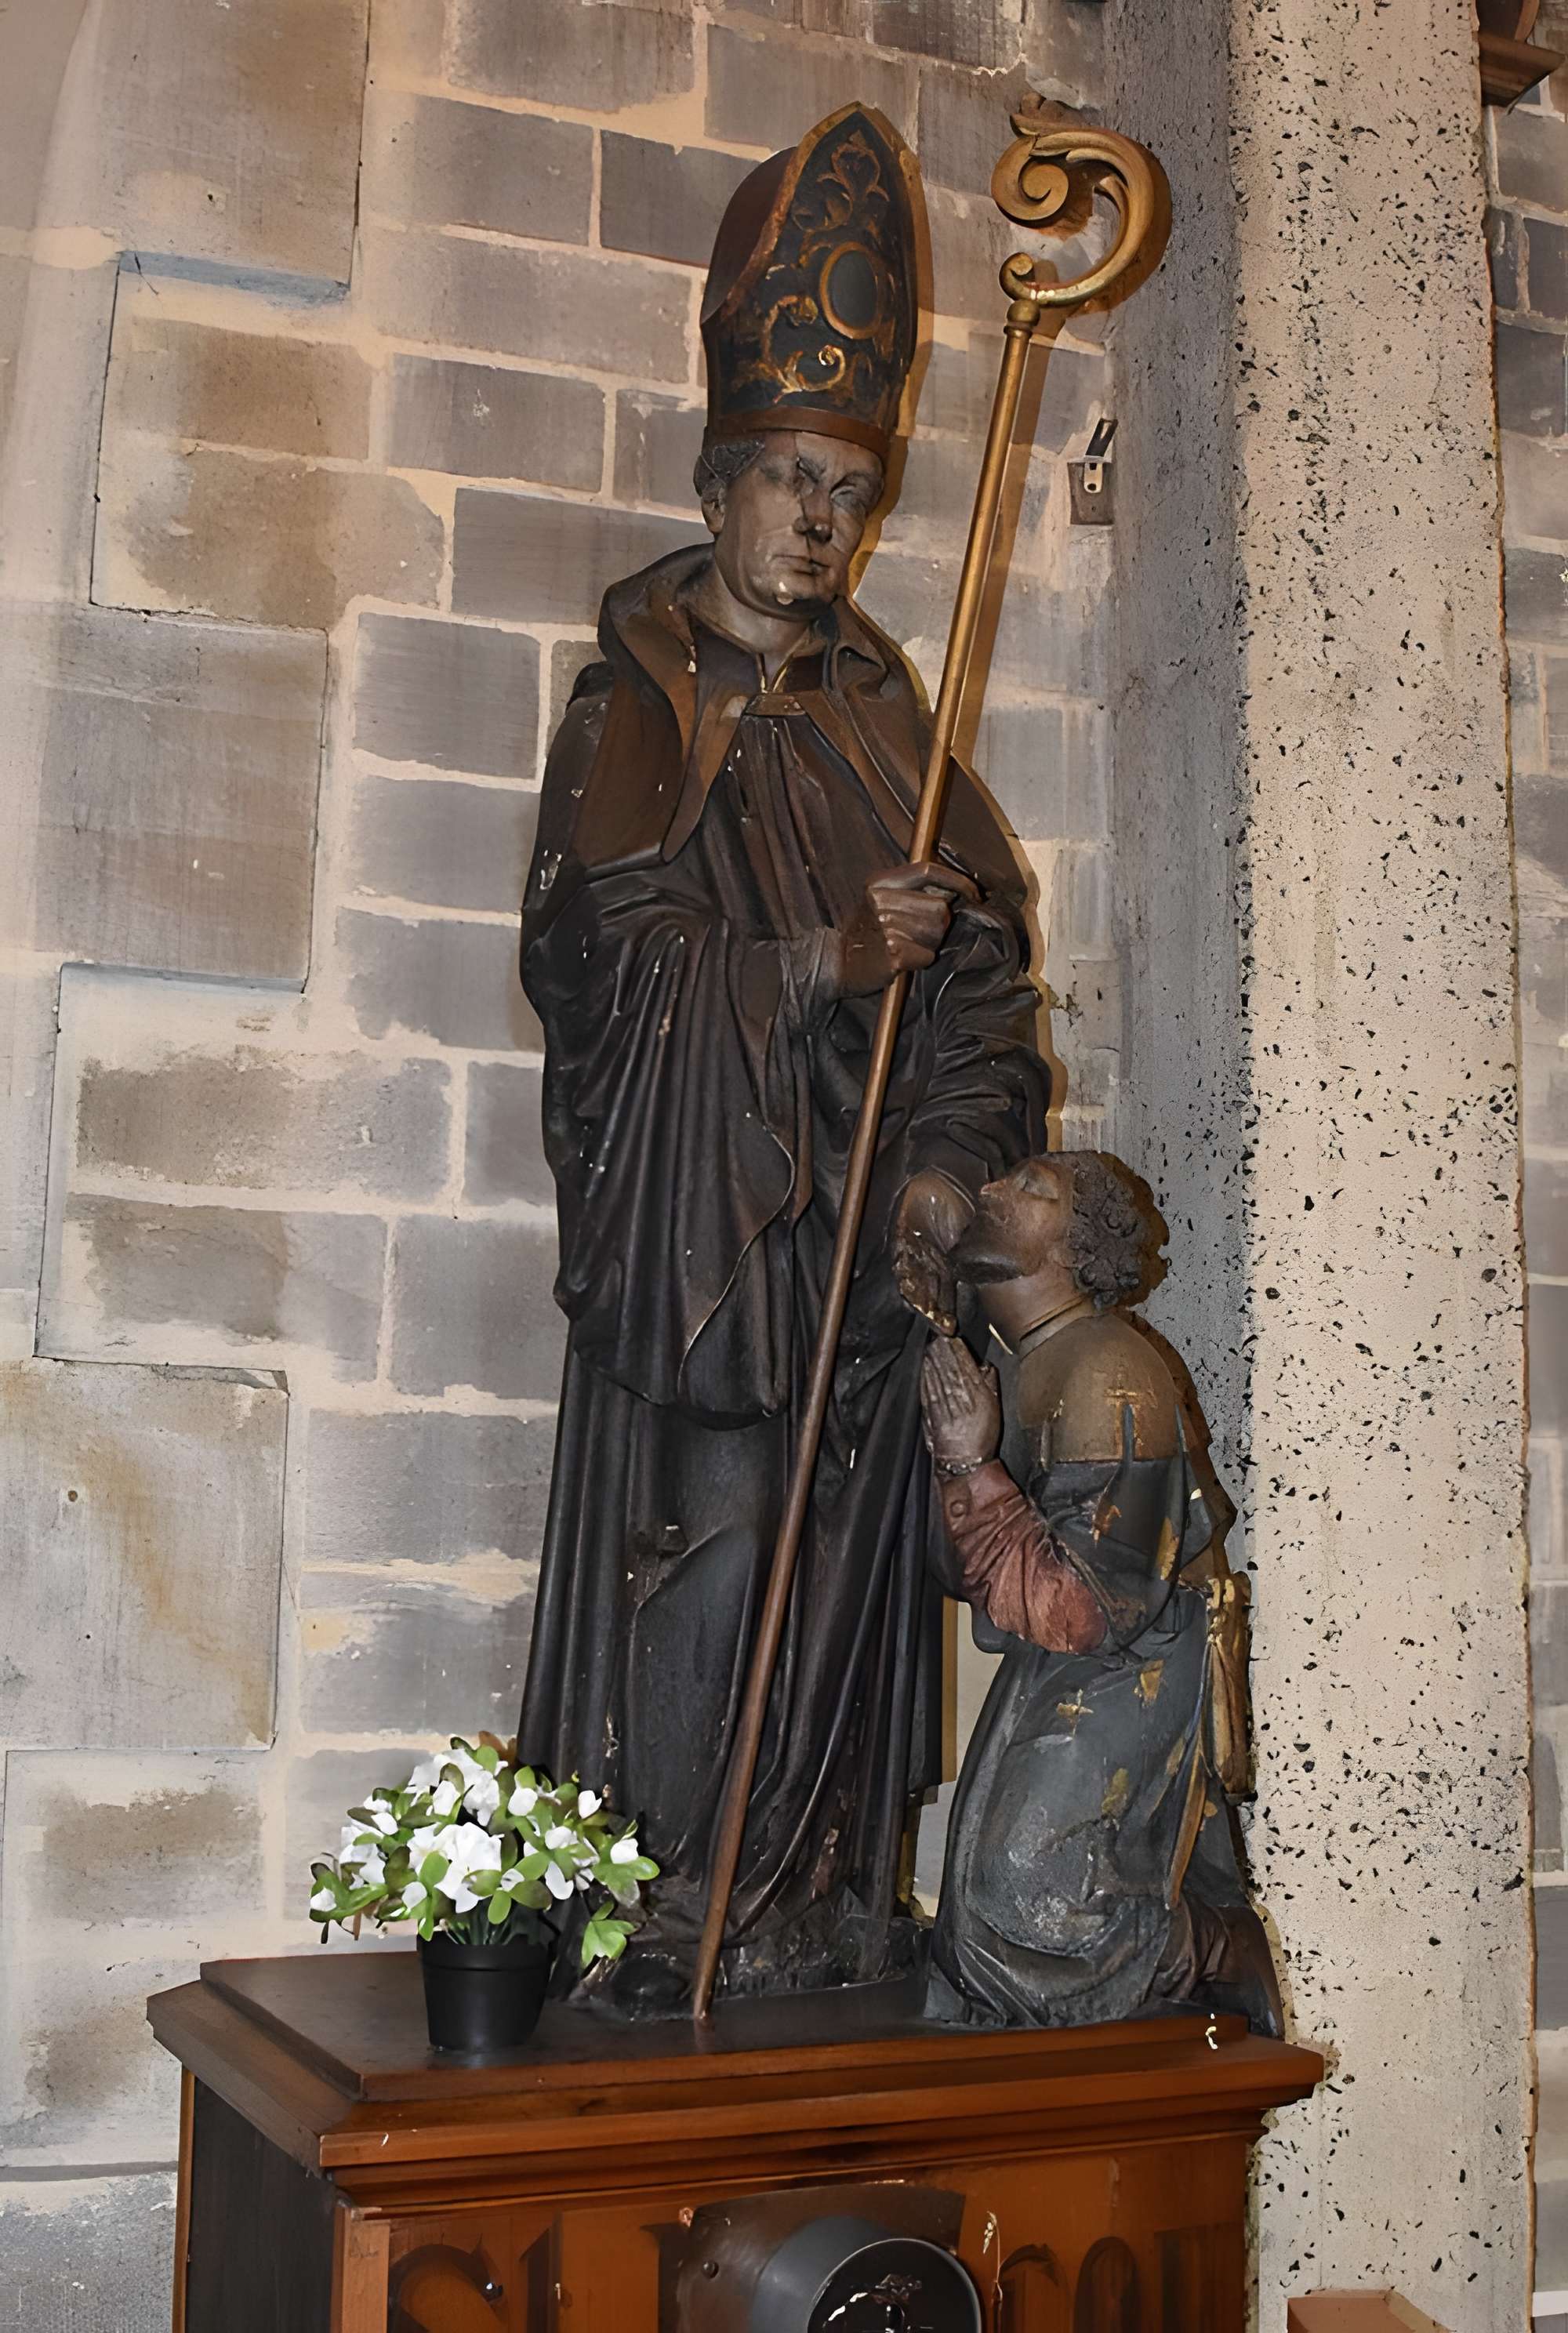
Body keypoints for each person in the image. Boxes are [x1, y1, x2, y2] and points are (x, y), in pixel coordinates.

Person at [516, 105, 1049, 2012]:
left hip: (859, 1270)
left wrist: (933, 1172)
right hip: (715, 1261)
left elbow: (986, 1004)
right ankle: (677, 1909)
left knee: (847, 1604)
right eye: (786, 477)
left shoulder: (879, 728)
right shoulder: (639, 698)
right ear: (719, 480)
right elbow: (597, 962)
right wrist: (823, 957)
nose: (820, 518)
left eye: (848, 484)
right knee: (717, 1567)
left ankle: (816, 1902)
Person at [916, 1152, 1282, 2034]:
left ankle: (1215, 1949)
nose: (993, 1187)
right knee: (979, 1912)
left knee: (1026, 1902)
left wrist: (970, 1462)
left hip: (1130, 1662)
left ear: (1077, 1249)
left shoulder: (1104, 1373)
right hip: (1070, 1659)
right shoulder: (1021, 1365)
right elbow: (964, 1569)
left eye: (1030, 1187)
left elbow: (1092, 1606)